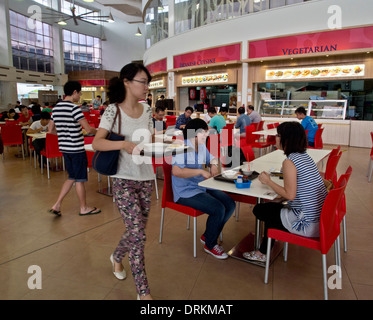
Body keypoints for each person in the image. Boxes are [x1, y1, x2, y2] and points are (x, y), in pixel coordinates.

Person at [92, 63, 154, 300]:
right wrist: (124, 144)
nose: (147, 87)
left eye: (148, 82)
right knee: (138, 233)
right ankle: (143, 293)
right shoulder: (112, 111)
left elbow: (150, 138)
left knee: (137, 230)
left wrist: (162, 144)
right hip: (122, 178)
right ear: (127, 82)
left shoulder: (147, 110)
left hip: (146, 177)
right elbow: (97, 142)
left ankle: (117, 257)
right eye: (143, 81)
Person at [243, 121, 328, 262]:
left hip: (305, 223)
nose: (275, 138)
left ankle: (262, 252)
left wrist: (268, 181)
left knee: (261, 210)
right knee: (272, 208)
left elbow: (290, 195)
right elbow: (300, 190)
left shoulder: (289, 162)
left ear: (286, 139)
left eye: (278, 135)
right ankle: (267, 245)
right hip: (320, 220)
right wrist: (280, 199)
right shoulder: (305, 157)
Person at [172, 118, 235, 259]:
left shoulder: (200, 146)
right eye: (204, 132)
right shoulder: (182, 147)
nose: (207, 135)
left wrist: (213, 165)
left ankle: (208, 235)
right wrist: (200, 171)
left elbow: (211, 158)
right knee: (218, 208)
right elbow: (176, 172)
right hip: (185, 192)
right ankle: (210, 244)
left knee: (230, 204)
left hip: (201, 186)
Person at [47, 81, 99, 217]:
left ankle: (57, 204)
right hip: (76, 148)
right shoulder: (74, 108)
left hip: (64, 148)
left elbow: (50, 130)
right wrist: (100, 131)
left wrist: (64, 133)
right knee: (80, 179)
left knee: (71, 177)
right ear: (74, 92)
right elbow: (88, 129)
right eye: (80, 93)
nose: (80, 96)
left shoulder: (56, 109)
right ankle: (83, 208)